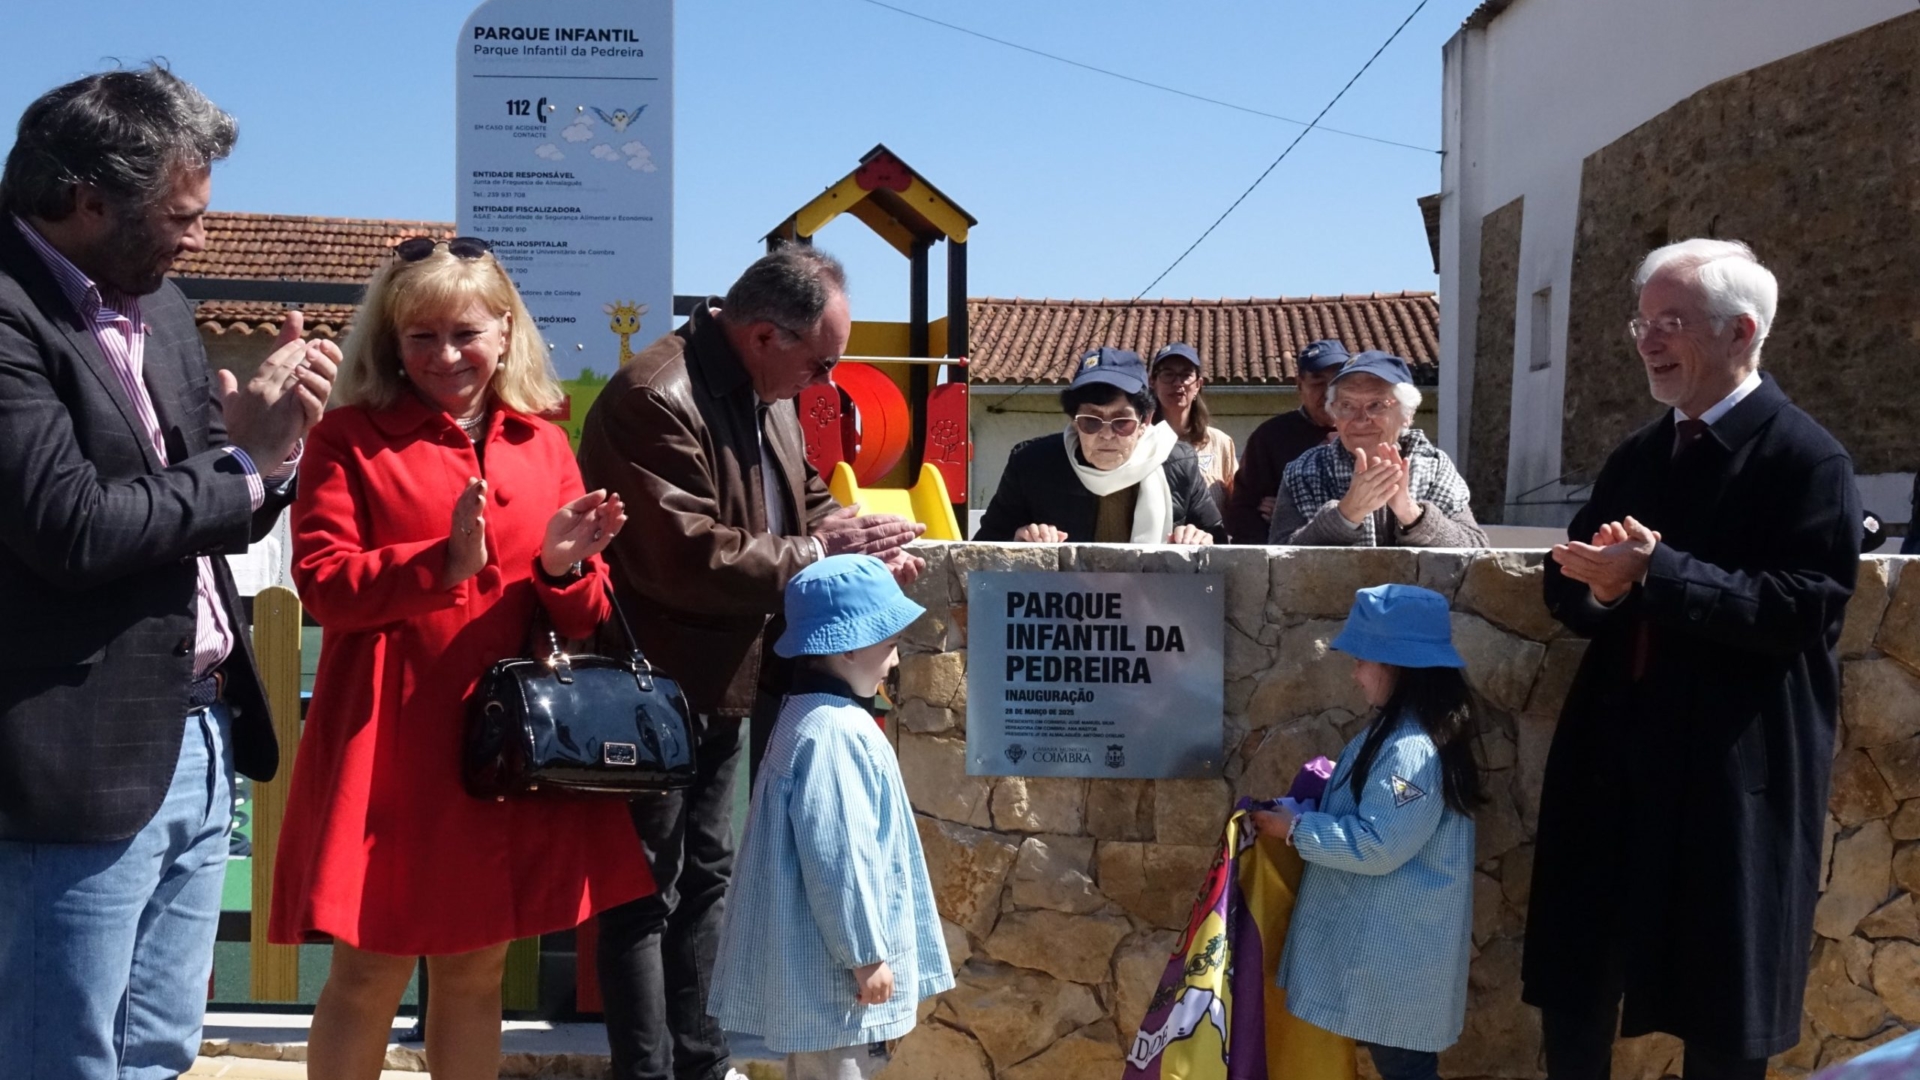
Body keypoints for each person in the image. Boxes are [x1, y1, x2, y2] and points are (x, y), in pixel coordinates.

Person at [0, 66, 335, 1080]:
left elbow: (209, 508)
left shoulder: (168, 309)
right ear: (87, 200)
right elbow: (70, 527)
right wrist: (243, 465)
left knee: (157, 1053)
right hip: (72, 762)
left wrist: (272, 456)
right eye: (180, 216)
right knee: (62, 1057)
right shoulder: (9, 316)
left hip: (199, 731)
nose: (199, 238)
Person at [269, 237, 655, 1080]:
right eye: (422, 336)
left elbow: (587, 612)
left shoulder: (544, 442)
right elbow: (324, 586)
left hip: (504, 751)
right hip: (390, 744)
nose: (445, 356)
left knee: (477, 974)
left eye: (465, 333)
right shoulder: (347, 437)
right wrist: (439, 563)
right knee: (367, 974)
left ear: (506, 332)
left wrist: (562, 568)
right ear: (391, 341)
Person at [577, 246, 924, 1080]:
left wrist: (861, 546)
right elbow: (685, 554)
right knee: (644, 894)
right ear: (766, 335)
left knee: (706, 879)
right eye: (821, 362)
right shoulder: (651, 396)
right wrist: (821, 549)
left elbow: (806, 500)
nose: (824, 382)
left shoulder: (765, 391)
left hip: (723, 678)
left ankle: (703, 1064)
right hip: (651, 686)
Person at [1523, 239, 1861, 1080]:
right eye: (1642, 322)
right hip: (1614, 757)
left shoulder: (1806, 458)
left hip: (1728, 771)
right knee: (1578, 983)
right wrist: (1604, 589)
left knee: (1724, 1004)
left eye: (1670, 322)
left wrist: (1658, 572)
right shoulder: (1639, 456)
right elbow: (1568, 582)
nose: (1647, 341)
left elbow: (1803, 606)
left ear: (1740, 331)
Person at [708, 554, 952, 1079]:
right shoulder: (833, 732)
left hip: (818, 971)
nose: (894, 661)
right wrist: (865, 955)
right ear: (848, 647)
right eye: (888, 644)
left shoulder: (807, 717)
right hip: (836, 983)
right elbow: (841, 856)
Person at [1250, 584, 1484, 1080]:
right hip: (1392, 961)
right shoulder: (1405, 736)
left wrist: (1297, 829)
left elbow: (1379, 844)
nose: (1354, 673)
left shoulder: (1410, 749)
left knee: (1406, 1070)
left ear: (1397, 666)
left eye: (1362, 660)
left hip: (1391, 966)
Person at [975, 346, 1226, 544]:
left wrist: (1202, 541)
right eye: (1091, 421)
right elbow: (983, 549)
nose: (1106, 435)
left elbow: (1221, 549)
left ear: (1145, 421)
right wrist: (1016, 542)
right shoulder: (1031, 465)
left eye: (1122, 421)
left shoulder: (1180, 464)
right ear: (1074, 421)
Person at [1267, 352, 1484, 547]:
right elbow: (1279, 557)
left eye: (1376, 405)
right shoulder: (1304, 472)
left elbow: (1475, 548)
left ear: (1407, 414)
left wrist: (1410, 513)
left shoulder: (1434, 467)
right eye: (1347, 405)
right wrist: (1346, 514)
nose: (1360, 419)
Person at [1224, 338, 1345, 543]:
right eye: (1318, 382)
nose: (1328, 392)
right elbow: (1245, 511)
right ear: (1299, 385)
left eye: (1336, 382)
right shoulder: (1271, 437)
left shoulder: (1366, 432)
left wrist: (1288, 514)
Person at [1150, 342, 1237, 511]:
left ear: (1198, 384)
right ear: (1153, 382)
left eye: (1186, 375)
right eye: (1168, 374)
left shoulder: (1221, 443)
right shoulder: (1140, 441)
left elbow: (1239, 504)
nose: (1178, 383)